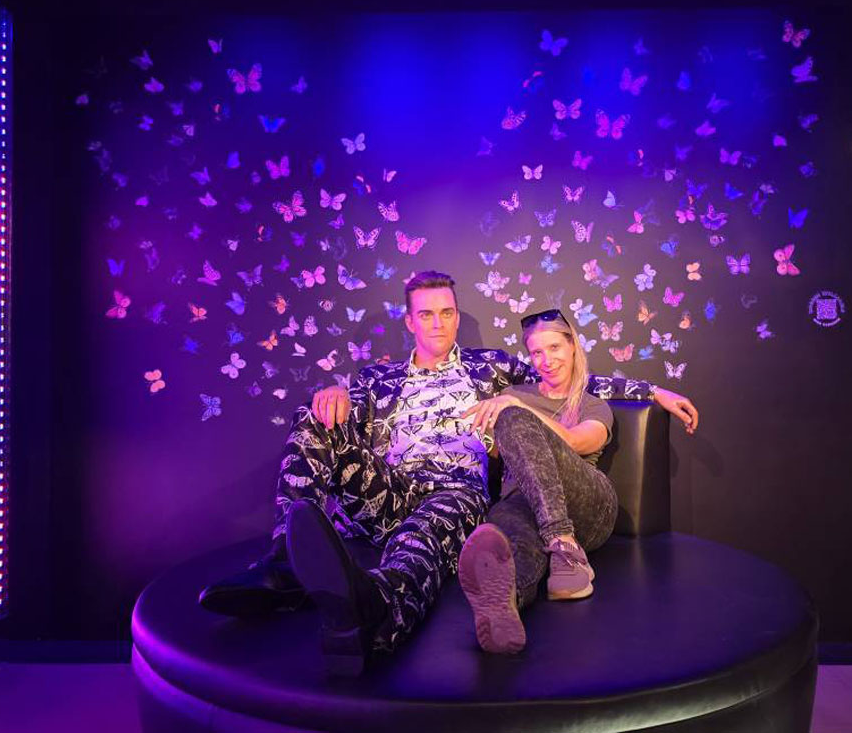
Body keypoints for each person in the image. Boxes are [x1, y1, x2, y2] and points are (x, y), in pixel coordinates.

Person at [199, 272, 698, 675]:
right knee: (312, 417)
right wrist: (333, 392)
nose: (438, 323)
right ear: (410, 321)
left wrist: (653, 392)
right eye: (426, 314)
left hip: (454, 493)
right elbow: (341, 412)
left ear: (457, 316)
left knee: (426, 533)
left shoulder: (491, 369)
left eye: (447, 313)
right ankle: (284, 563)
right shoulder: (378, 378)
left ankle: (377, 607)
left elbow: (564, 378)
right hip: (387, 491)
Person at [456, 308, 657, 654]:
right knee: (512, 536)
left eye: (554, 348)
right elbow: (497, 452)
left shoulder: (592, 405)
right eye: (536, 352)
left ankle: (564, 543)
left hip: (587, 508)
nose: (546, 360)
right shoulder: (516, 393)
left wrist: (517, 410)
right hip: (524, 504)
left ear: (572, 346)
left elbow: (578, 442)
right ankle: (504, 605)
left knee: (513, 417)